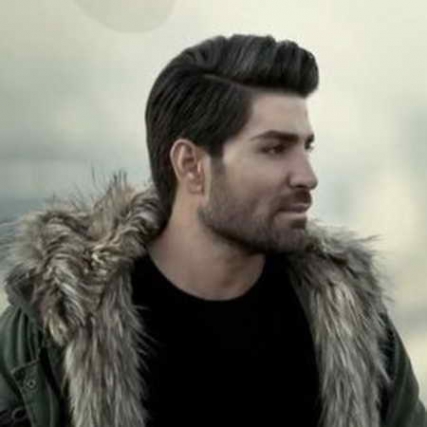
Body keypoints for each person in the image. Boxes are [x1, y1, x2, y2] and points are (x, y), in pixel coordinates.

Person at [0, 34, 425, 427]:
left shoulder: (352, 323)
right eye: (275, 148)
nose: (307, 176)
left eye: (306, 147)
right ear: (191, 165)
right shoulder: (55, 330)